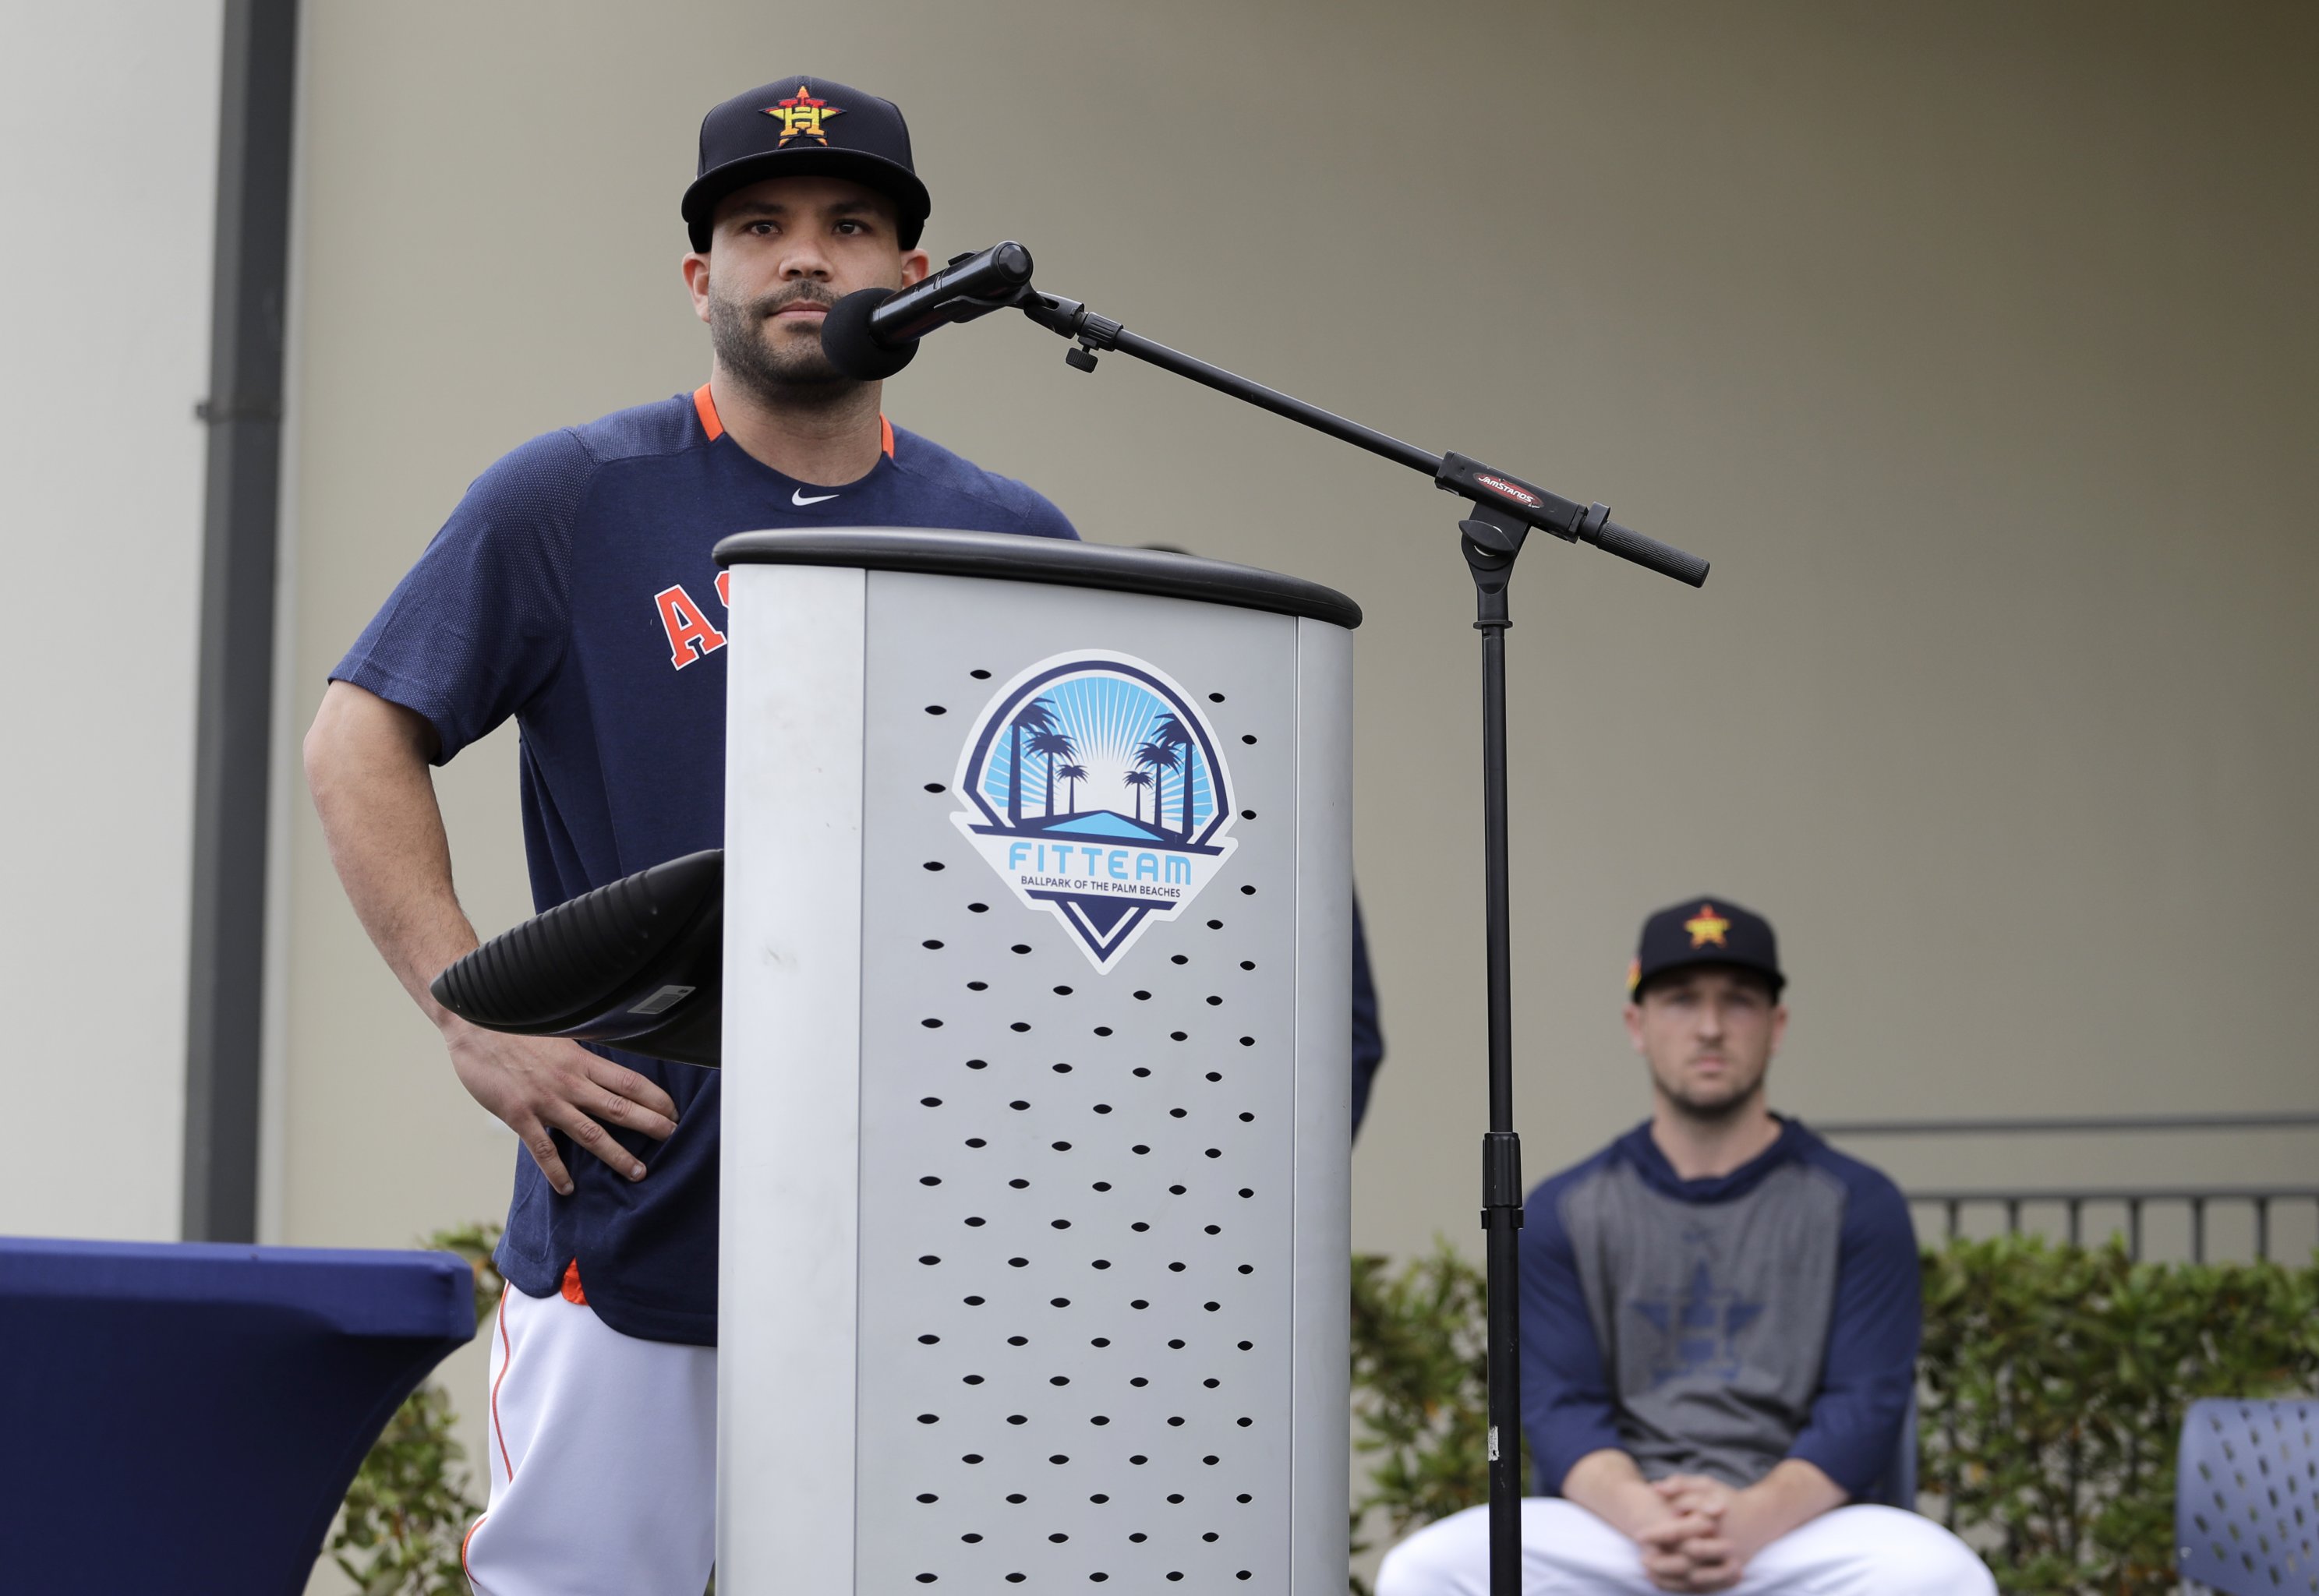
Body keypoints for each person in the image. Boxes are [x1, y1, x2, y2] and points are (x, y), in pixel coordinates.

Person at [303, 77, 1078, 1596]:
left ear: (914, 279)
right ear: (697, 278)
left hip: (922, 1212)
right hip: (642, 1189)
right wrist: (474, 1011)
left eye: (850, 227)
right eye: (759, 227)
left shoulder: (1010, 537)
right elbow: (357, 734)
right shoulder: (576, 494)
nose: (805, 259)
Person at [1377, 899, 1992, 1594]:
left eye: (1738, 1002)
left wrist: (1745, 1522)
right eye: (1679, 1001)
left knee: (1941, 1575)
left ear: (1776, 1025)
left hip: (1791, 1532)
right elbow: (1558, 1406)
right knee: (1424, 1571)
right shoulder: (1563, 1210)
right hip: (1620, 1529)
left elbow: (1864, 1403)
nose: (1708, 1027)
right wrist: (1650, 1522)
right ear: (1636, 1025)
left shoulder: (1856, 1202)